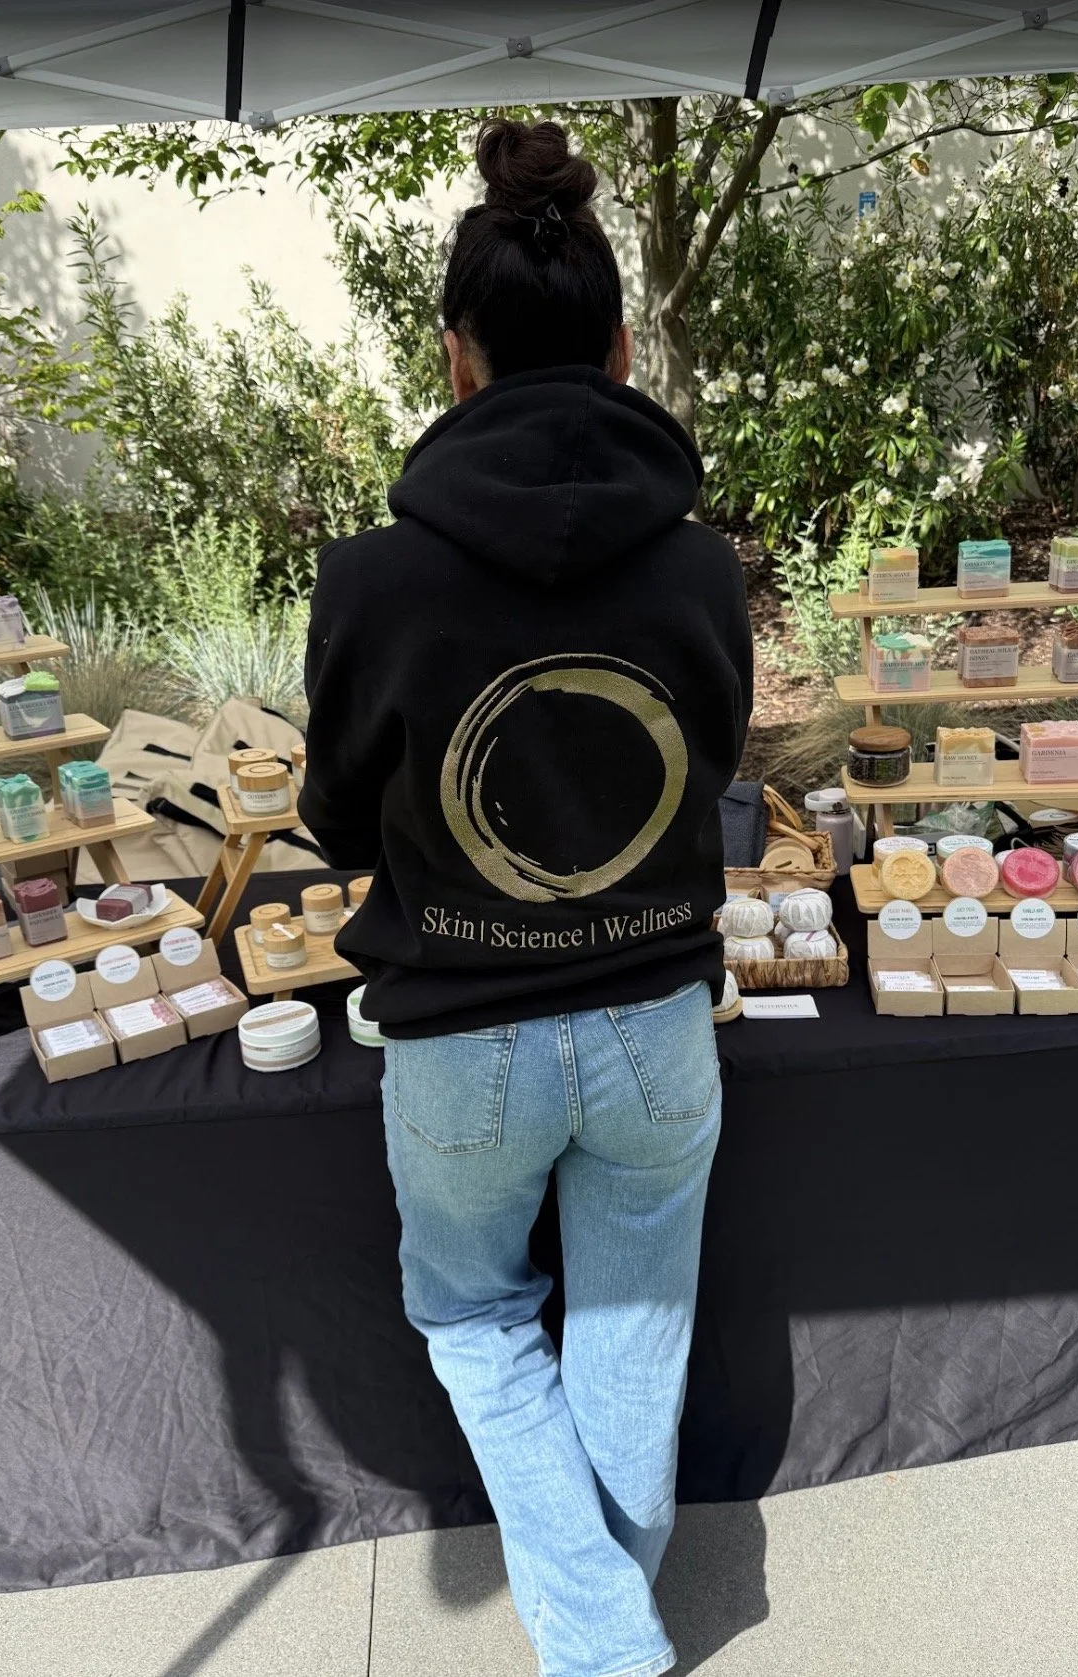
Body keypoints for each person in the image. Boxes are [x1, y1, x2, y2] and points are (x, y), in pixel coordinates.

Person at [300, 116, 753, 1677]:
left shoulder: (370, 580)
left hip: (463, 1040)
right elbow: (712, 774)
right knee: (636, 1332)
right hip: (655, 1016)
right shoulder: (703, 573)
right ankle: (610, 1626)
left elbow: (340, 819)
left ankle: (605, 1644)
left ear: (455, 360)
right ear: (623, 347)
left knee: (478, 1321)